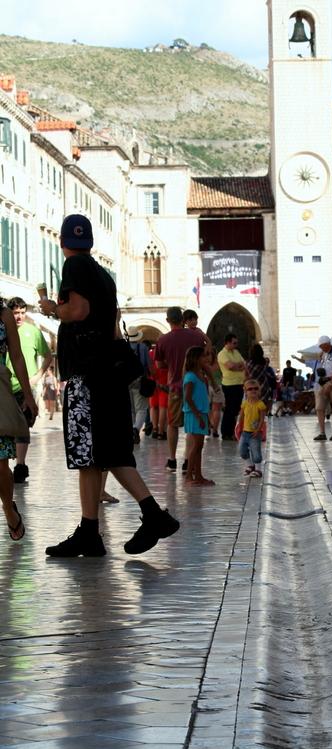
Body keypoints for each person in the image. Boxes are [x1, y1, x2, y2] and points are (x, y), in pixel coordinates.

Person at [40, 214, 179, 556]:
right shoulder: (104, 275)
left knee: (101, 452)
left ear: (61, 242)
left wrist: (52, 309)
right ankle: (91, 530)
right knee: (95, 455)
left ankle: (151, 515)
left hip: (89, 375)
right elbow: (111, 324)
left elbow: (78, 309)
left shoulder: (74, 268)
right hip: (107, 374)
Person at [0, 298, 38, 540]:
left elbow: (17, 356)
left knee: (1, 462)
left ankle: (7, 506)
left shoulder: (3, 314)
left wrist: (28, 395)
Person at [6, 296, 52, 483]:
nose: (19, 316)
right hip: (6, 385)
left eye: (22, 313)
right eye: (16, 313)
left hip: (28, 385)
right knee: (7, 425)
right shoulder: (4, 331)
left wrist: (37, 376)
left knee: (24, 425)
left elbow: (48, 356)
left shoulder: (33, 332)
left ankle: (20, 465)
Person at [155, 307, 207, 471]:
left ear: (168, 320)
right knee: (191, 426)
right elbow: (207, 352)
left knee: (173, 424)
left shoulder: (163, 340)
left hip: (176, 387)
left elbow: (159, 364)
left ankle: (172, 460)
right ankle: (187, 461)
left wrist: (171, 363)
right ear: (183, 320)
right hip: (196, 385)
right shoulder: (196, 336)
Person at [183, 346, 214, 485]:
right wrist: (198, 416)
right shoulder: (190, 376)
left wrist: (206, 416)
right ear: (196, 359)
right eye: (203, 356)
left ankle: (199, 475)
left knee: (199, 446)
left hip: (201, 413)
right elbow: (188, 398)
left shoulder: (201, 376)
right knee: (196, 446)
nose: (206, 359)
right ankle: (189, 475)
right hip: (194, 414)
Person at [313, 336, 332, 441]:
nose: (321, 348)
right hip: (323, 381)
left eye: (322, 346)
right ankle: (322, 433)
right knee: (319, 407)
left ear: (327, 344)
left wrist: (331, 384)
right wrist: (320, 357)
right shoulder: (324, 353)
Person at [237, 379, 267, 478]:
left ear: (259, 390)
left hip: (255, 433)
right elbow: (241, 416)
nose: (253, 391)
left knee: (256, 451)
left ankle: (258, 469)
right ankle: (250, 465)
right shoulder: (245, 403)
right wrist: (239, 427)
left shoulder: (260, 404)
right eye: (250, 389)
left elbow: (262, 419)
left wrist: (258, 430)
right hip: (245, 432)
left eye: (256, 388)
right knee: (242, 450)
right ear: (245, 391)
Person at [127, 326, 151, 445]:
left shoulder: (124, 347)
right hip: (140, 381)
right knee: (141, 409)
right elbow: (148, 366)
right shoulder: (143, 348)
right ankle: (136, 429)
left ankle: (131, 430)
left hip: (126, 382)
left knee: (131, 409)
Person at [218, 333, 245, 440]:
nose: (236, 345)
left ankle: (233, 432)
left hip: (239, 384)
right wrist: (238, 366)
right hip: (229, 385)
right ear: (227, 343)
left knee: (236, 409)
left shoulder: (236, 352)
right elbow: (230, 366)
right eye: (234, 343)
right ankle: (226, 432)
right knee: (229, 409)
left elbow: (244, 364)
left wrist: (236, 366)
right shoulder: (222, 354)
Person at [245, 343, 273, 412]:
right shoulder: (264, 362)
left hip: (251, 387)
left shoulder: (248, 363)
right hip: (263, 387)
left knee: (252, 407)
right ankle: (261, 421)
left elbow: (246, 375)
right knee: (262, 408)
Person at [207, 348, 224, 437]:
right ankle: (215, 431)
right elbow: (223, 375)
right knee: (217, 410)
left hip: (207, 386)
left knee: (208, 409)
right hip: (218, 386)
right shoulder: (219, 364)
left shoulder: (205, 364)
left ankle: (208, 427)